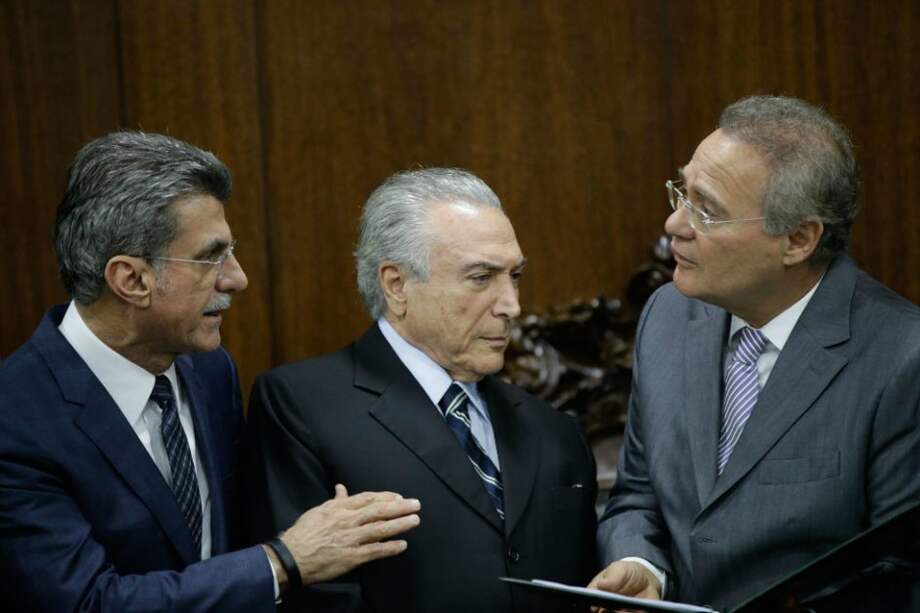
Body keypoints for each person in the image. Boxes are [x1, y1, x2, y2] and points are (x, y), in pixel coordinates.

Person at [0, 132, 421, 612]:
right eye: (209, 257)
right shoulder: (16, 420)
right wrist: (283, 561)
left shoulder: (209, 369)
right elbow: (90, 603)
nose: (236, 278)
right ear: (131, 279)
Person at [590, 95, 920, 610]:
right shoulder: (668, 315)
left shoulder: (902, 359)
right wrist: (641, 566)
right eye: (682, 192)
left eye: (707, 210)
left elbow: (897, 578)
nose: (674, 225)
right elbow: (638, 494)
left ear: (798, 239)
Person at [245, 168, 598, 612]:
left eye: (515, 276)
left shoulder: (554, 431)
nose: (512, 305)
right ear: (397, 285)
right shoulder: (302, 406)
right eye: (481, 277)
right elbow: (313, 599)